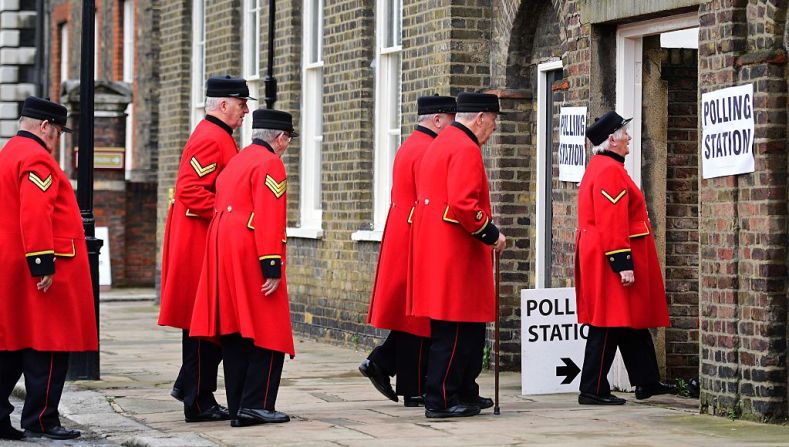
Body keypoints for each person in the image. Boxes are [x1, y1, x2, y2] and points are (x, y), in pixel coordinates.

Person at [189, 109, 296, 427]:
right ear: (280, 138)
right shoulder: (270, 163)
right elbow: (268, 215)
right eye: (287, 140)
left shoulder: (238, 160)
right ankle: (258, 404)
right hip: (252, 252)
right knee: (267, 328)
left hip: (224, 251)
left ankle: (238, 405)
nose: (286, 146)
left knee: (235, 331)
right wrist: (272, 265)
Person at [0, 97, 98, 440]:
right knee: (50, 344)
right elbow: (35, 211)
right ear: (45, 126)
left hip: (13, 262)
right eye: (57, 132)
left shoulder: (9, 151)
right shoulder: (37, 158)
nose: (57, 139)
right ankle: (42, 418)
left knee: (14, 344)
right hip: (40, 267)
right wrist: (42, 262)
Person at [158, 75, 252, 422]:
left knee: (208, 324)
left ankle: (192, 390)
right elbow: (191, 191)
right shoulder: (211, 138)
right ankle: (196, 400)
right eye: (241, 105)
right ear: (223, 104)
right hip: (200, 242)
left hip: (207, 239)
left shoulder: (219, 135)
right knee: (203, 325)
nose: (245, 111)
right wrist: (232, 215)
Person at [407, 92, 507, 418]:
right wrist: (492, 234)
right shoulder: (465, 148)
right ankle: (442, 399)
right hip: (457, 252)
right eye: (492, 122)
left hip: (441, 249)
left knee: (468, 328)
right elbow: (464, 204)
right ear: (480, 117)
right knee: (454, 331)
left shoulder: (444, 141)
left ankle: (464, 389)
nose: (493, 129)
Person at [574, 111, 677, 405]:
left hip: (604, 253)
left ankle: (646, 380)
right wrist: (623, 264)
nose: (629, 137)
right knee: (609, 323)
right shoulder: (609, 170)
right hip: (611, 255)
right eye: (624, 133)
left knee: (628, 320)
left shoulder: (605, 166)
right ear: (611, 139)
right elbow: (612, 220)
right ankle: (592, 389)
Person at [360, 95, 457, 407]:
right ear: (438, 119)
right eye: (451, 119)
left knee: (413, 316)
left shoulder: (411, 145)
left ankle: (398, 375)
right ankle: (398, 374)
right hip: (416, 233)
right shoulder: (428, 148)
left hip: (404, 229)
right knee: (419, 316)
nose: (453, 126)